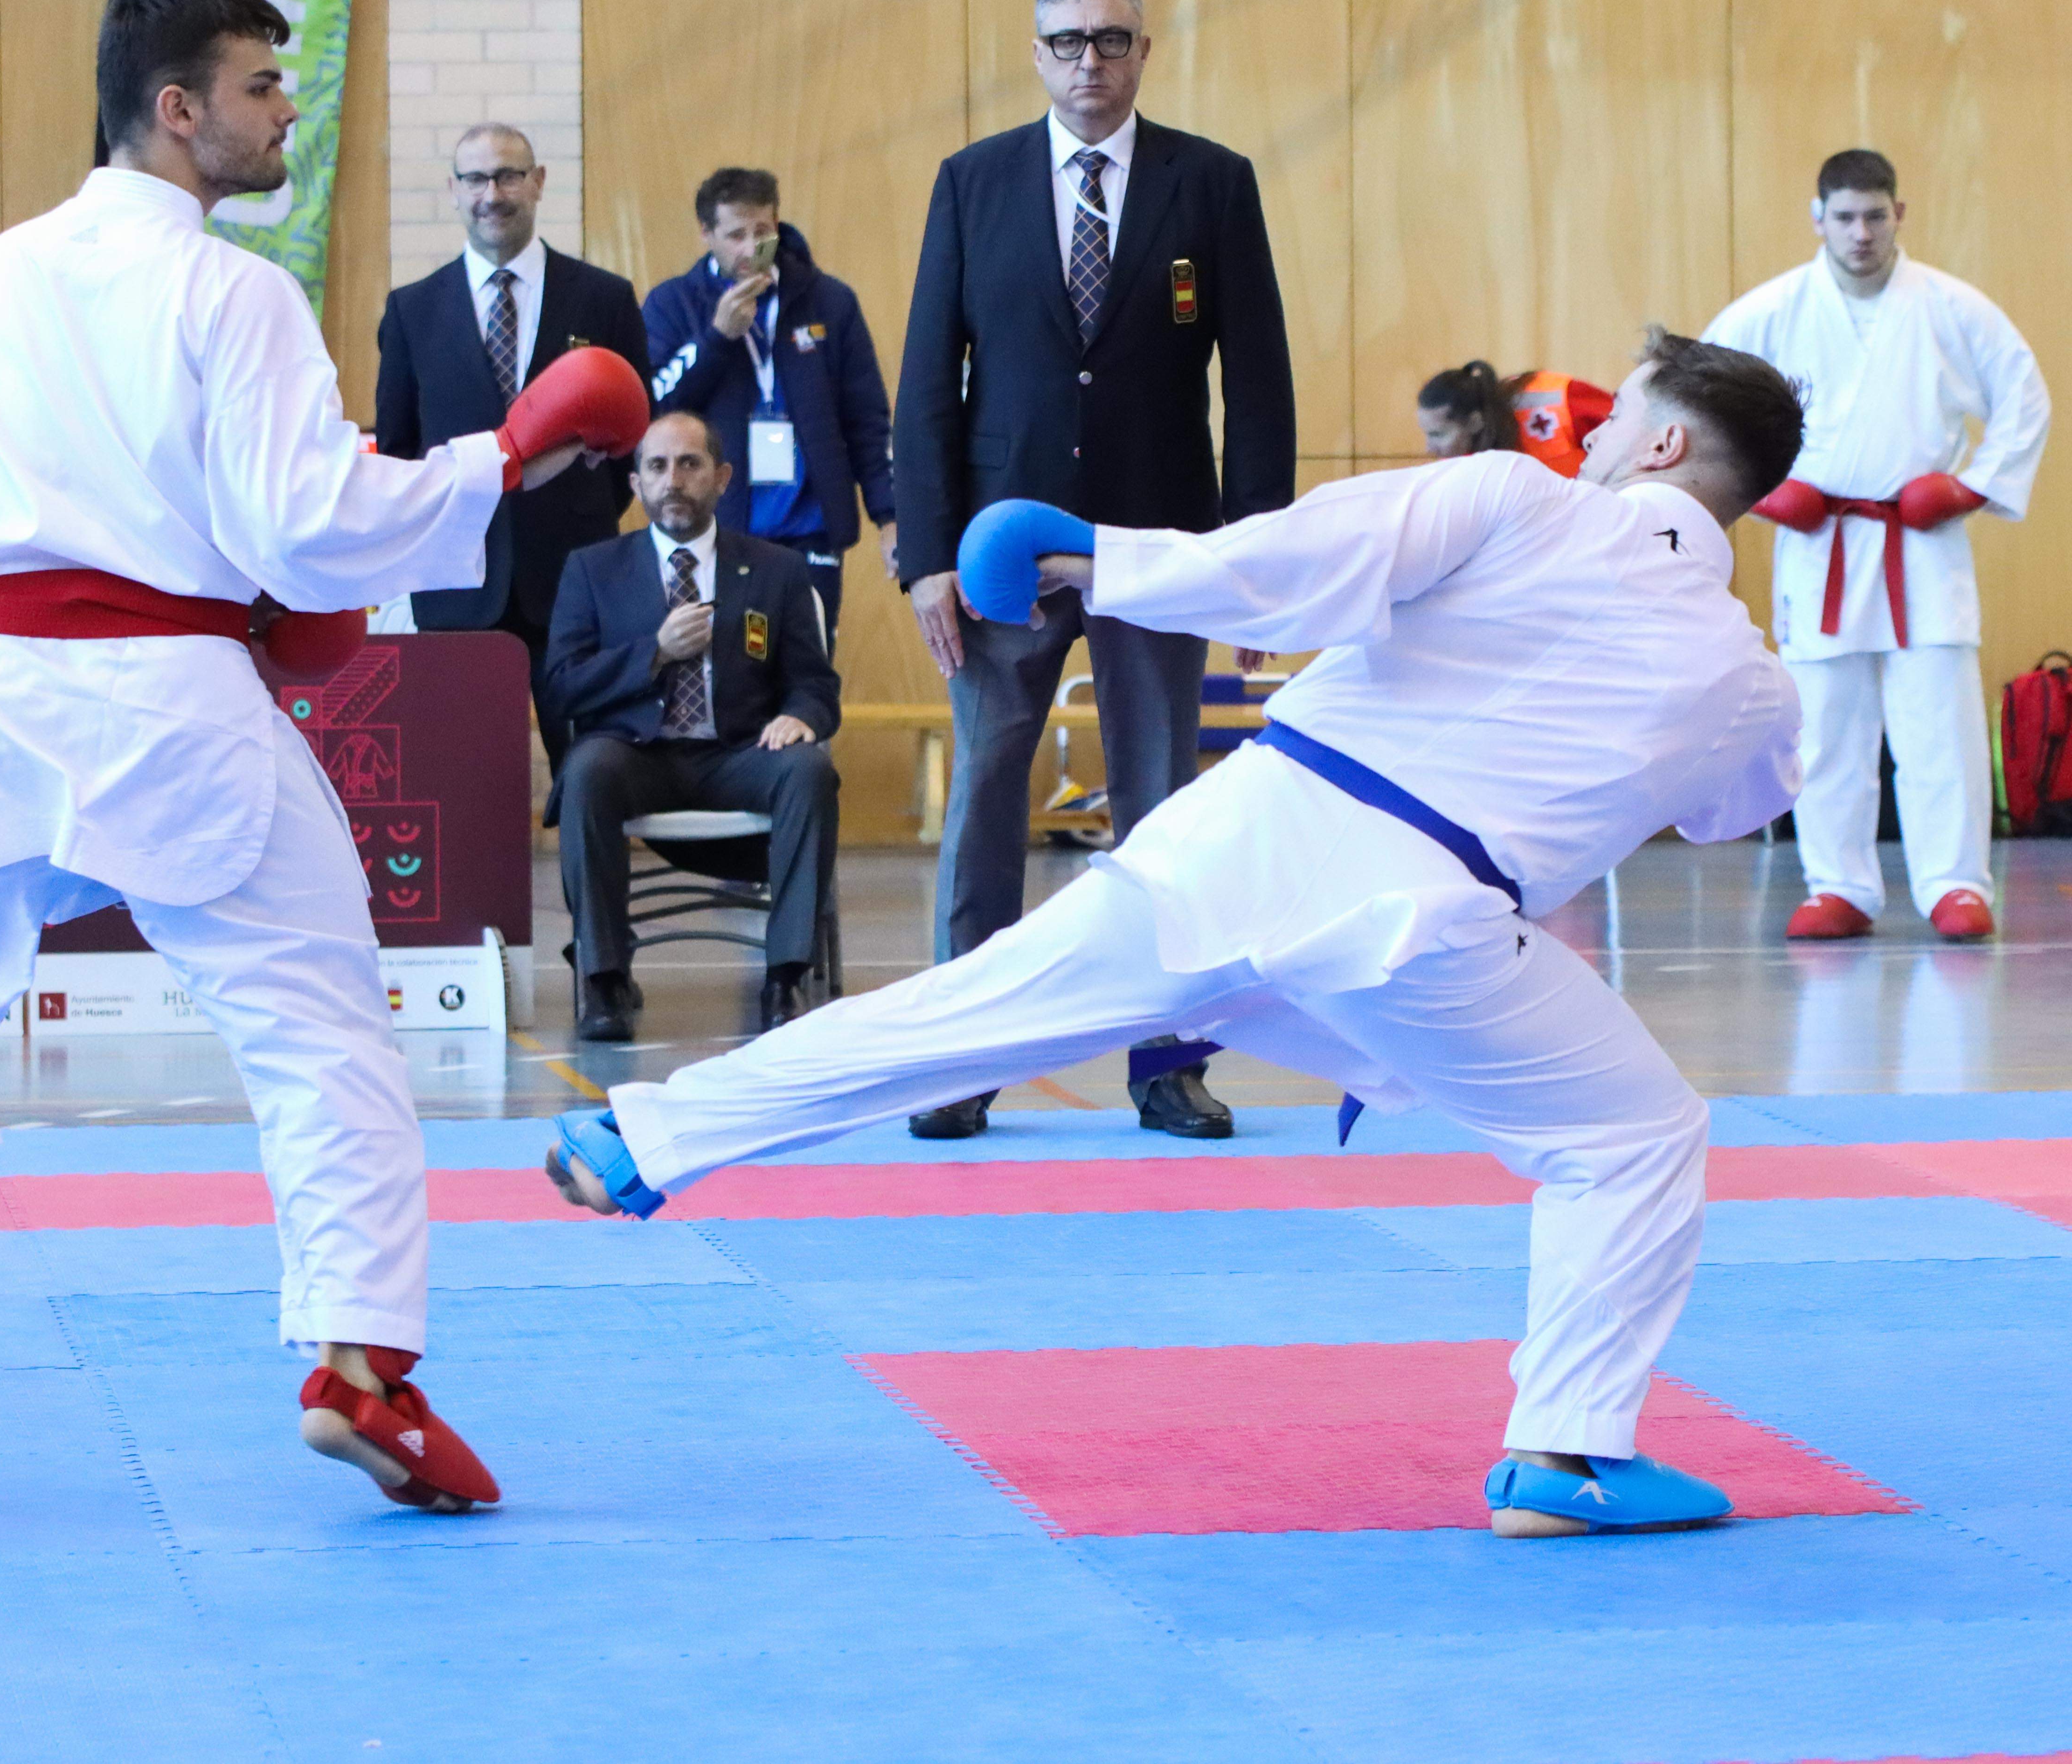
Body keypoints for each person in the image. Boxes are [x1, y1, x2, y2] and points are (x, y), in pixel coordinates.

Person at [547, 330, 1808, 1539]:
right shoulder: (1746, 677)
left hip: (1241, 840)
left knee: (968, 1011)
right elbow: (1730, 810)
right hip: (1422, 933)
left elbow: (1298, 556)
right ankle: (1569, 1449)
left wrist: (1092, 556)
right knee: (1631, 1133)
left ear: (1663, 448)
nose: (1590, 439)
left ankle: (649, 1130)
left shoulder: (1512, 500)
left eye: (1619, 420)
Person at [0, 0, 642, 1511]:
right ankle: (360, 1371)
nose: (288, 110)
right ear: (177, 108)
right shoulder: (234, 292)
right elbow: (310, 530)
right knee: (321, 1034)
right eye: (263, 86)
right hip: (170, 700)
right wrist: (510, 449)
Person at [890, 0, 1296, 1142]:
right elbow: (926, 384)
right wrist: (924, 555)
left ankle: (1168, 1062)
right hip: (999, 546)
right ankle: (963, 1057)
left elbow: (1257, 383)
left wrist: (1251, 555)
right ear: (1036, 55)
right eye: (1066, 42)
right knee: (982, 803)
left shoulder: (1210, 183)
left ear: (1142, 52)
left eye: (1110, 40)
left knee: (1162, 805)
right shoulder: (973, 183)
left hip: (1158, 537)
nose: (1088, 62)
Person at [1705, 149, 2050, 945]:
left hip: (1919, 542)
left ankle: (1954, 885)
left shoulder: (1953, 308)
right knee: (1823, 727)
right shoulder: (1769, 311)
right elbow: (1704, 393)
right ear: (1816, 218)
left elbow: (2022, 398)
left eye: (1874, 215)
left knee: (1939, 726)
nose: (1860, 233)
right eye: (1844, 217)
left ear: (1900, 214)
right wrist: (1758, 489)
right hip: (1817, 541)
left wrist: (1969, 486)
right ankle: (1839, 886)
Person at [547, 412, 841, 1041]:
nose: (673, 481)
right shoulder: (593, 569)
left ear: (723, 477)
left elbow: (816, 685)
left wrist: (800, 715)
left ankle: (785, 977)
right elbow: (563, 684)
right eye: (657, 467)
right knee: (586, 771)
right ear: (636, 483)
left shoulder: (776, 570)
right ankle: (605, 982)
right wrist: (653, 652)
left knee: (809, 770)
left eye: (689, 464)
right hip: (636, 756)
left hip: (739, 753)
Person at [374, 122, 651, 770]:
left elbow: (630, 447)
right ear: (453, 190)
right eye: (475, 178)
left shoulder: (606, 300)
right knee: (461, 783)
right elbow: (400, 454)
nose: (491, 193)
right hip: (455, 586)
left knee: (591, 777)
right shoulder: (412, 310)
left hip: (575, 583)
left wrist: (577, 515)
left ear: (538, 182)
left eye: (508, 175)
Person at [643, 168, 895, 637]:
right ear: (705, 233)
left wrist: (890, 514)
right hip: (718, 526)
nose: (749, 248)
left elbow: (867, 419)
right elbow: (657, 407)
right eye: (735, 234)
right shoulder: (673, 304)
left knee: (807, 667)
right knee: (731, 673)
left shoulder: (830, 302)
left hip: (809, 528)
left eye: (762, 232)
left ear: (777, 224)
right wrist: (717, 338)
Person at [1416, 361, 1608, 478]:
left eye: (1439, 434)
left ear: (1475, 423)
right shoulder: (1456, 469)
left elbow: (1631, 431)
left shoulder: (1557, 400)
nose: (1429, 448)